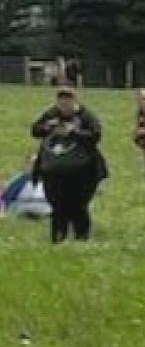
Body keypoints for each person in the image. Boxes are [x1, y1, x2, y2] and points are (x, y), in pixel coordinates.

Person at [29, 85, 107, 243]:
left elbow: (95, 135)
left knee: (78, 206)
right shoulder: (52, 114)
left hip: (82, 172)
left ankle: (81, 238)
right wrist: (48, 127)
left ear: (75, 102)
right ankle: (58, 239)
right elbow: (35, 130)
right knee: (57, 207)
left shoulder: (86, 116)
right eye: (61, 104)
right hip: (53, 171)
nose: (64, 108)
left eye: (67, 104)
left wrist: (73, 133)